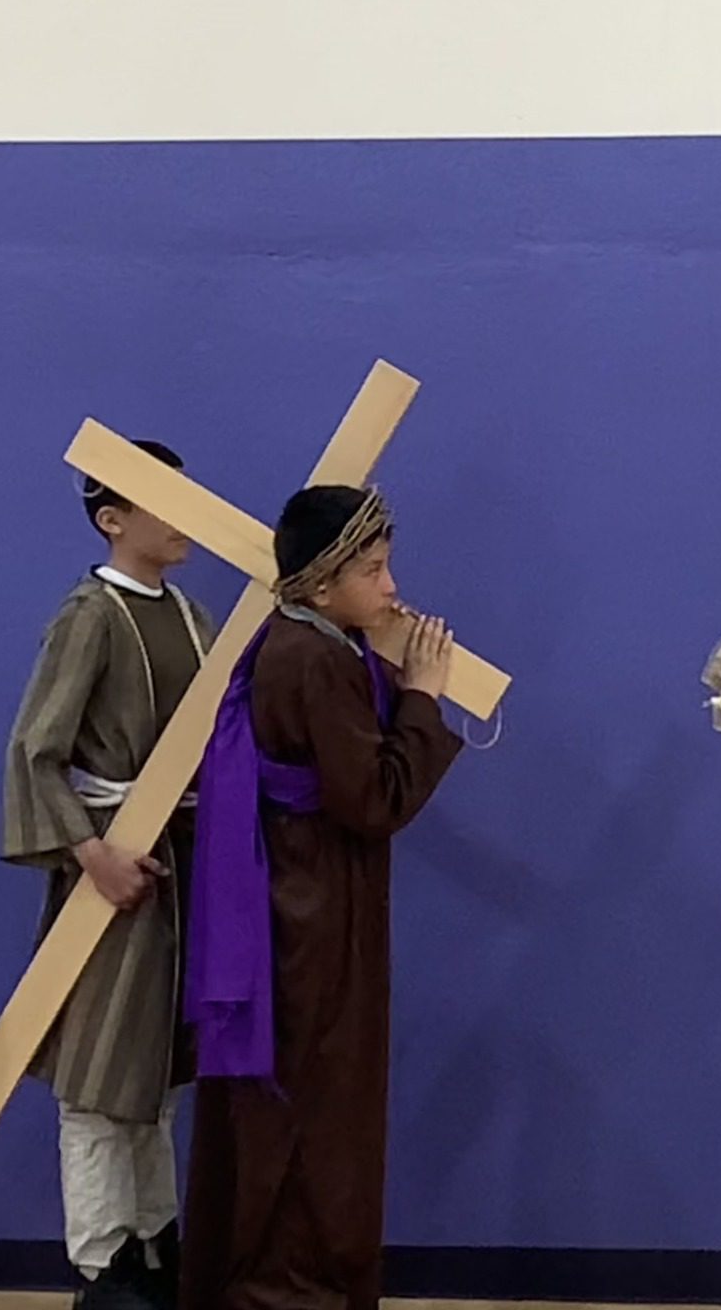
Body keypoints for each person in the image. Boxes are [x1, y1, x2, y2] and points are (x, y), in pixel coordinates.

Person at [180, 484, 461, 1310]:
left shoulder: (305, 644)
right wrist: (422, 697)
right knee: (314, 1114)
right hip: (310, 921)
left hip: (298, 900)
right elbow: (372, 800)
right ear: (320, 582)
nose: (392, 588)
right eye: (372, 570)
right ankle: (292, 1290)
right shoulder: (315, 659)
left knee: (302, 1105)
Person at [3, 444, 215, 1310]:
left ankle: (157, 1239)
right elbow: (36, 749)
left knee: (157, 1071)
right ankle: (102, 1260)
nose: (184, 515)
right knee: (100, 1075)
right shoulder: (91, 615)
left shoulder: (197, 618)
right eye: (162, 499)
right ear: (112, 519)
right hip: (112, 872)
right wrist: (91, 854)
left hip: (183, 866)